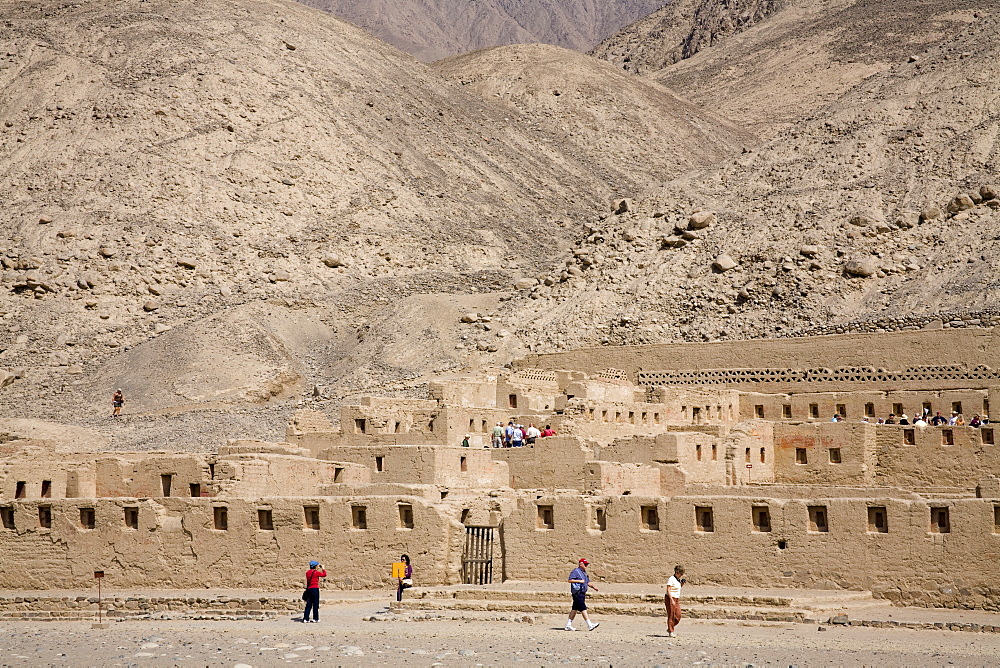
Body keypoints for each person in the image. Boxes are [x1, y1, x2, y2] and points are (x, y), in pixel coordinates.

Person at [565, 558, 599, 631]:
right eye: (585, 564)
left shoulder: (584, 573)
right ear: (581, 564)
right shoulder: (575, 571)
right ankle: (589, 625)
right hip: (577, 592)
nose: (586, 565)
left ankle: (568, 625)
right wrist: (579, 581)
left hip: (582, 592)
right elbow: (570, 580)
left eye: (587, 564)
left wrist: (594, 587)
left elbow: (587, 582)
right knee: (583, 608)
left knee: (574, 609)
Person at [665, 565, 686, 637]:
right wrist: (671, 600)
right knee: (671, 615)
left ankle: (670, 627)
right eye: (681, 574)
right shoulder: (671, 579)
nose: (681, 575)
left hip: (676, 598)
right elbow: (668, 590)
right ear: (677, 572)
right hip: (670, 598)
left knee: (678, 615)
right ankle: (671, 631)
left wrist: (682, 584)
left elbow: (677, 588)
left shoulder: (677, 580)